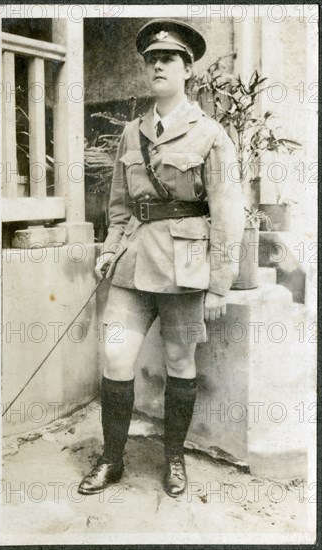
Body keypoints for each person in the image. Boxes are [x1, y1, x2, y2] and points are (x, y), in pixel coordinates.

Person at [78, 18, 244, 498]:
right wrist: (109, 251)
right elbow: (119, 203)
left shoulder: (210, 134)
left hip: (185, 267)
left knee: (179, 360)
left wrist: (218, 283)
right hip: (132, 264)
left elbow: (227, 211)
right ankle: (112, 459)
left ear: (188, 70)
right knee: (114, 355)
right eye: (151, 59)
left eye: (168, 58)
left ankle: (174, 457)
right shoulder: (133, 132)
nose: (157, 66)